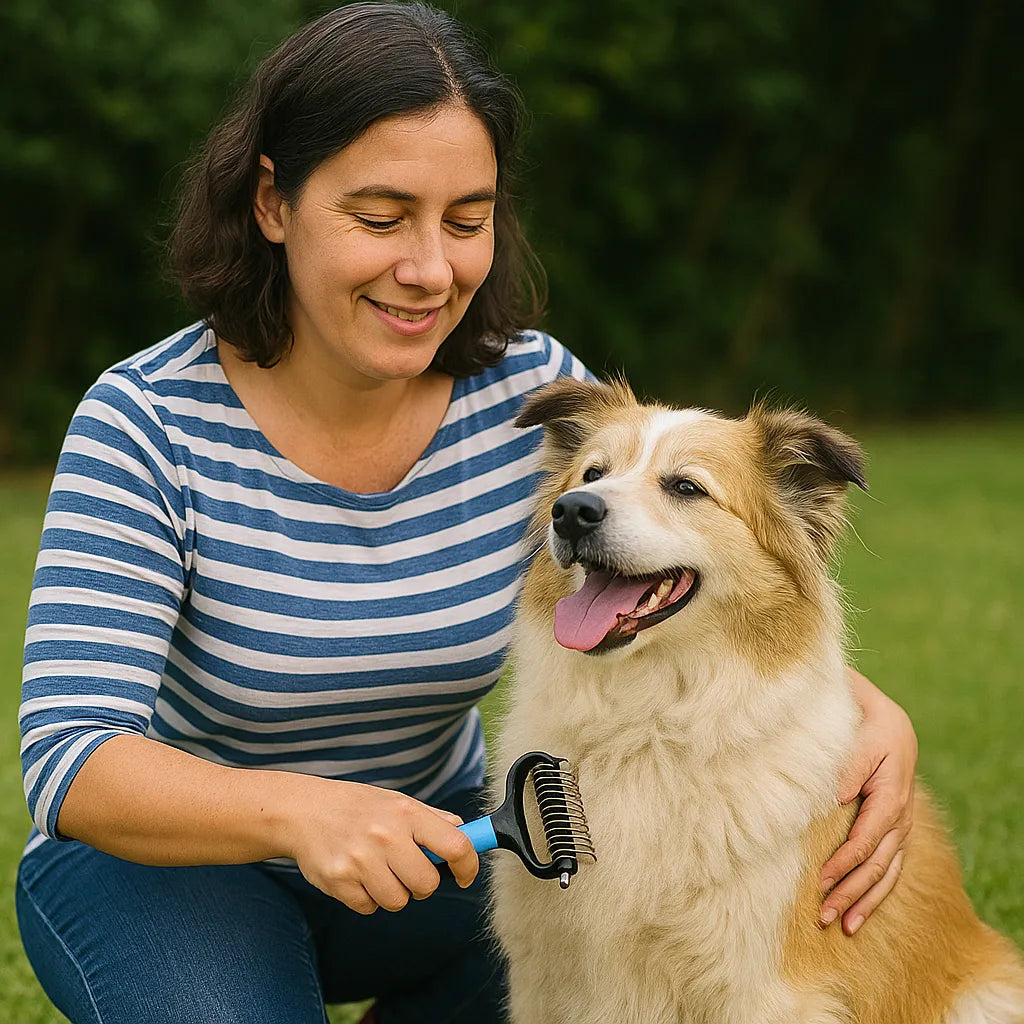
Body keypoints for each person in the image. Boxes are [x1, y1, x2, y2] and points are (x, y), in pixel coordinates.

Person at [16, 4, 918, 1022]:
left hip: (450, 853)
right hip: (168, 872)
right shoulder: (144, 420)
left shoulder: (527, 395)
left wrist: (866, 708)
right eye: (379, 215)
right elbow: (69, 753)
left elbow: (667, 551)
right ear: (273, 201)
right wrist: (303, 812)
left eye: (465, 217)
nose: (430, 269)